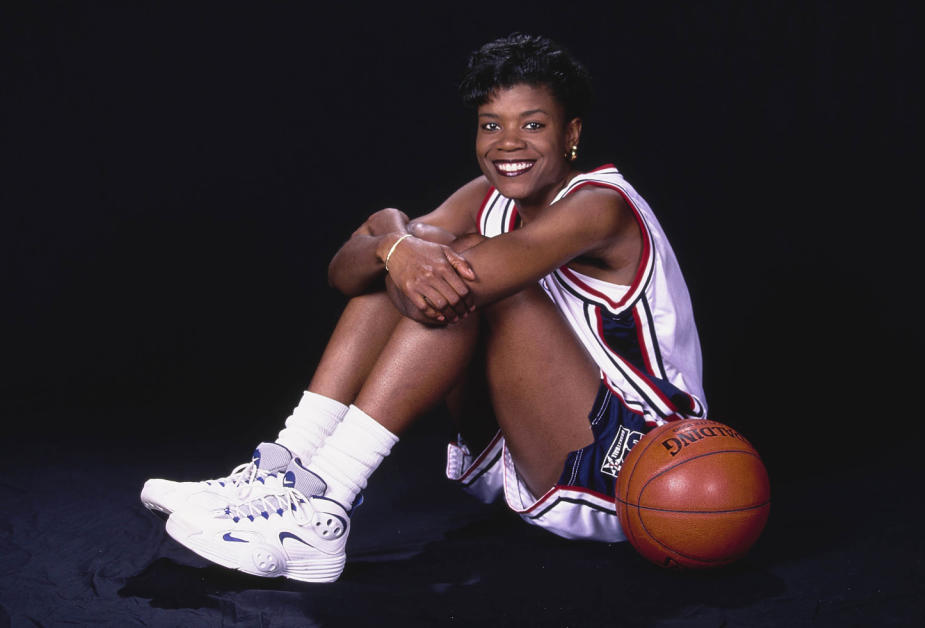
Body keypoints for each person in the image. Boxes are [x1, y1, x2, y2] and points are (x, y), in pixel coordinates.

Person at [141, 33, 706, 583]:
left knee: (451, 276)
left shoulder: (599, 206)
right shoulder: (485, 198)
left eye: (533, 124)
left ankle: (329, 500)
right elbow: (346, 273)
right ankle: (284, 470)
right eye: (492, 125)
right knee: (411, 268)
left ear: (571, 133)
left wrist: (398, 248)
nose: (509, 143)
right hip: (531, 446)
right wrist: (396, 241)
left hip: (641, 466)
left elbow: (449, 286)